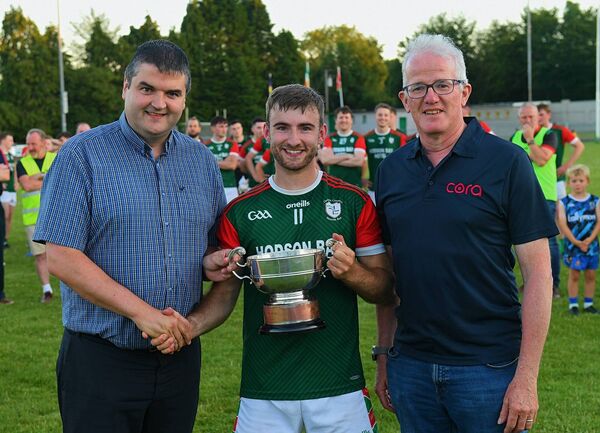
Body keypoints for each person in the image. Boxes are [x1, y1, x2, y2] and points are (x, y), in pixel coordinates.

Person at [151, 83, 396, 433]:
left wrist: (352, 271)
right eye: (282, 127)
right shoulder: (239, 211)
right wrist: (185, 329)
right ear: (267, 132)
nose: (293, 139)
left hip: (338, 386)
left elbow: (385, 290)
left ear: (322, 134)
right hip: (264, 389)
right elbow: (223, 298)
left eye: (305, 128)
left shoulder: (354, 202)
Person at [34, 40, 232, 433]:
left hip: (180, 359)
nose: (159, 103)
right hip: (100, 361)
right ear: (125, 87)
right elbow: (60, 256)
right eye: (147, 89)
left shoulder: (201, 162)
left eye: (172, 93)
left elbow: (213, 248)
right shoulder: (81, 155)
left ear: (184, 98)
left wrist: (212, 261)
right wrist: (144, 315)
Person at [375, 34, 556, 433]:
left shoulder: (507, 162)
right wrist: (385, 355)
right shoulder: (391, 171)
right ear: (405, 100)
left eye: (442, 84)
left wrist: (526, 377)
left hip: (489, 369)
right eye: (418, 87)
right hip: (413, 368)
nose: (431, 97)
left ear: (464, 92)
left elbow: (539, 275)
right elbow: (389, 277)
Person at [511, 103, 561, 298]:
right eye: (523, 118)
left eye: (531, 117)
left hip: (544, 196)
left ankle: (553, 285)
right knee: (521, 244)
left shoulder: (549, 135)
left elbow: (541, 160)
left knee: (549, 243)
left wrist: (531, 140)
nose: (527, 121)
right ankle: (528, 282)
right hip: (518, 196)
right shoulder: (514, 138)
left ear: (538, 118)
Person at [17, 128, 56, 303]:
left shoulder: (55, 159)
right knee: (40, 256)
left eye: (33, 143)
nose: (30, 147)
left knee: (64, 254)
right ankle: (47, 290)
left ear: (42, 142)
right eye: (28, 143)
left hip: (56, 215)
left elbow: (61, 181)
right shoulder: (22, 163)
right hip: (33, 219)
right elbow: (26, 186)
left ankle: (73, 288)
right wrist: (47, 177)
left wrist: (38, 178)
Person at [556, 164, 599, 315]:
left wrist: (589, 240)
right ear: (568, 183)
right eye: (574, 181)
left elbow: (599, 222)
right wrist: (575, 242)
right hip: (572, 246)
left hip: (591, 246)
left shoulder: (595, 201)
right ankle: (572, 305)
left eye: (581, 180)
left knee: (590, 274)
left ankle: (588, 304)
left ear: (587, 181)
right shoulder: (564, 202)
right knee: (574, 274)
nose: (577, 184)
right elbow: (562, 224)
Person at [537, 103, 585, 200]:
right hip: (538, 177)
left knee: (561, 208)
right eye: (536, 115)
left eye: (541, 114)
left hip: (557, 176)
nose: (539, 117)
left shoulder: (560, 130)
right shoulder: (532, 132)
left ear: (549, 114)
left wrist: (566, 166)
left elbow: (580, 146)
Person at [363, 103, 406, 201]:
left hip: (394, 187)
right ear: (375, 116)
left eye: (386, 115)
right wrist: (363, 178)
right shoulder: (366, 137)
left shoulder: (399, 137)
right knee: (374, 216)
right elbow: (362, 160)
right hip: (373, 187)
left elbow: (405, 161)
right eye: (380, 115)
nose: (383, 118)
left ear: (390, 117)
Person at [318, 106, 366, 188]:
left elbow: (358, 161)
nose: (344, 120)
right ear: (335, 120)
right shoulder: (330, 138)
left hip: (354, 184)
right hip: (334, 184)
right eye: (341, 117)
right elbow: (325, 160)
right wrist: (347, 156)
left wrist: (333, 159)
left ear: (351, 120)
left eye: (346, 117)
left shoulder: (358, 138)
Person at [206, 116, 240, 203]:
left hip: (230, 186)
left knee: (230, 215)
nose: (224, 129)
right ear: (213, 128)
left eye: (226, 126)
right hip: (211, 186)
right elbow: (203, 166)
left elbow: (232, 165)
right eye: (221, 126)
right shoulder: (205, 145)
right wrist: (225, 162)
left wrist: (211, 162)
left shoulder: (232, 144)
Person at [0, 132, 17, 248]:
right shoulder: (1, 155)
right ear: (3, 140)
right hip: (4, 191)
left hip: (12, 190)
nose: (12, 142)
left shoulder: (10, 155)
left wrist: (16, 182)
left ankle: (5, 239)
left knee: (10, 216)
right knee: (4, 215)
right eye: (10, 140)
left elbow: (14, 170)